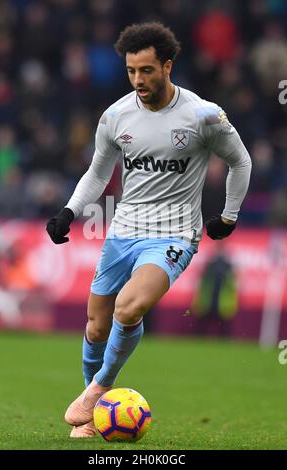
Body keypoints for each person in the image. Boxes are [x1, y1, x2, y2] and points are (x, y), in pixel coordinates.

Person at [46, 22, 252, 438]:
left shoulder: (203, 116)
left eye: (147, 71)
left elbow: (240, 161)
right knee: (96, 326)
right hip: (123, 231)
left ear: (168, 66)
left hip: (174, 234)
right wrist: (69, 211)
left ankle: (98, 390)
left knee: (129, 306)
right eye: (131, 71)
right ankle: (91, 411)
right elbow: (97, 172)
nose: (139, 80)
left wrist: (228, 215)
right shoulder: (115, 116)